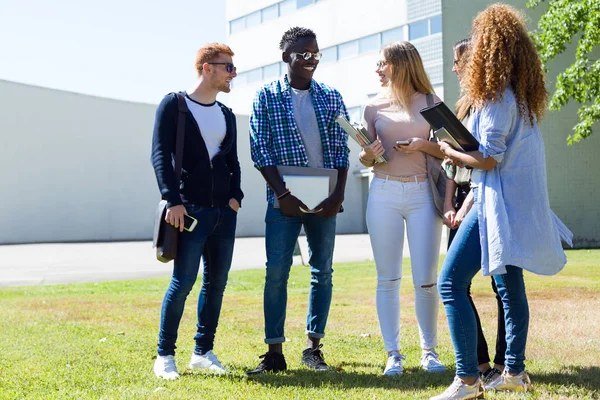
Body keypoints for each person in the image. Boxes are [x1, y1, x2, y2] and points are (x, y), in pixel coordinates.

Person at [432, 5, 573, 399]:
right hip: (504, 201)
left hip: (498, 204)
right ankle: (513, 372)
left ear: (489, 48)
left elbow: (488, 158)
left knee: (449, 283)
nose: (472, 49)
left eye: (477, 42)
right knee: (510, 287)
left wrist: (449, 150)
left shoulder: (497, 99)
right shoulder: (520, 97)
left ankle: (468, 379)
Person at [247, 27, 349, 375]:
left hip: (325, 198)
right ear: (285, 56)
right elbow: (260, 149)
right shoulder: (266, 96)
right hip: (283, 200)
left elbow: (341, 148)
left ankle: (313, 348)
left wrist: (338, 195)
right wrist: (282, 195)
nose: (310, 59)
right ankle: (274, 353)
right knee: (276, 271)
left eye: (315, 53)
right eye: (302, 53)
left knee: (323, 272)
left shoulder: (331, 96)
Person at [151, 43, 243, 380]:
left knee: (216, 285)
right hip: (187, 212)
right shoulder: (174, 105)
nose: (233, 72)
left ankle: (202, 351)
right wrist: (172, 200)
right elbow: (160, 155)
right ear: (207, 68)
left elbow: (233, 163)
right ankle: (164, 355)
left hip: (224, 214)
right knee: (182, 283)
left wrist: (236, 198)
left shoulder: (227, 114)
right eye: (228, 67)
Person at [357, 41, 446, 376]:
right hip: (383, 193)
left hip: (423, 195)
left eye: (382, 63)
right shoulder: (372, 108)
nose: (378, 70)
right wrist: (367, 155)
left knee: (426, 279)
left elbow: (452, 149)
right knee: (388, 278)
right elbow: (368, 157)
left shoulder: (432, 103)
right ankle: (393, 354)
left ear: (400, 64)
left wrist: (424, 146)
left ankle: (429, 352)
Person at [443, 38, 506, 385]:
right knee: (457, 283)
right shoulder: (464, 106)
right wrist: (448, 202)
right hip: (465, 195)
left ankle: (505, 364)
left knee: (502, 284)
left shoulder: (495, 103)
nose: (455, 69)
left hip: (490, 193)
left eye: (458, 61)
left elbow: (486, 157)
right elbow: (454, 165)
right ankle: (480, 364)